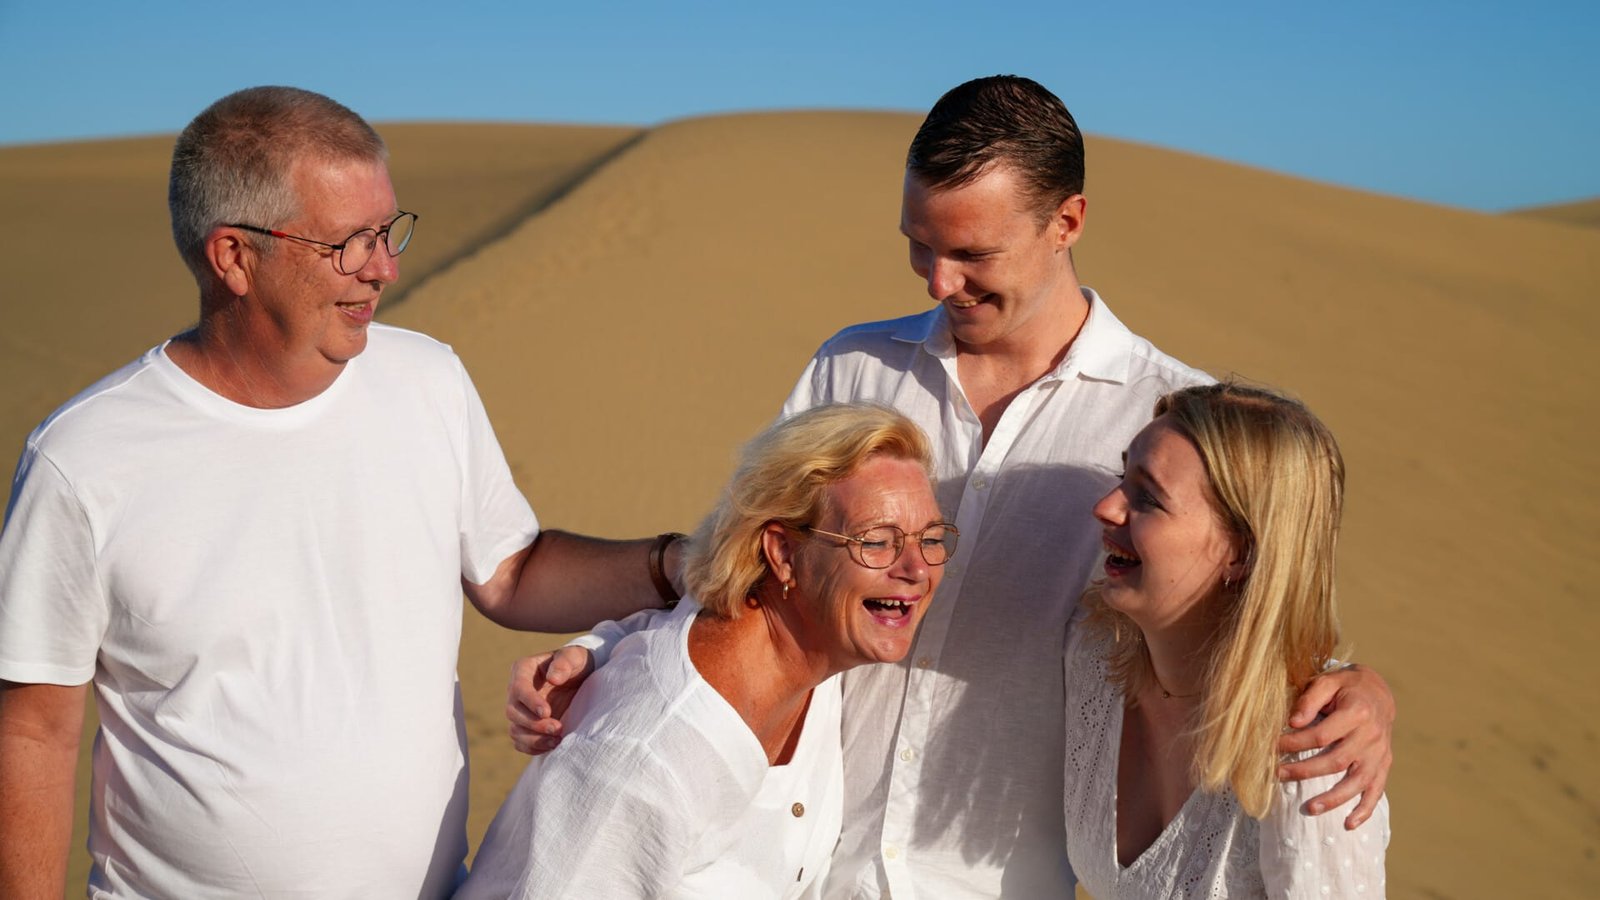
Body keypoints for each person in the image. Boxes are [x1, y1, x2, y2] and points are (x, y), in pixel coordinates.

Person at [509, 75, 1395, 898]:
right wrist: (611, 653)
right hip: (799, 868)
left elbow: (1248, 610)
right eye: (920, 246)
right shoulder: (853, 368)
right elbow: (746, 573)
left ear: (1068, 221)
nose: (940, 282)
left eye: (973, 253)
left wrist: (1356, 692)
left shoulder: (1164, 425)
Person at [0, 86, 682, 898]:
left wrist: (681, 565)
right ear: (233, 257)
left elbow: (511, 571)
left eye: (388, 231)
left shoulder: (427, 380)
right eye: (349, 243)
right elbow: (33, 730)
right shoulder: (85, 458)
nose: (385, 267)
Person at [459, 404, 953, 898]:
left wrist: (601, 646)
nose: (916, 568)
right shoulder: (650, 759)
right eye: (876, 542)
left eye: (931, 538)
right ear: (783, 553)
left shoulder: (820, 654)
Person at [1063, 382, 1390, 897]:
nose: (1105, 507)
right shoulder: (1094, 652)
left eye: (1148, 497)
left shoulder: (1313, 758)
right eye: (1122, 478)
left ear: (1241, 553)